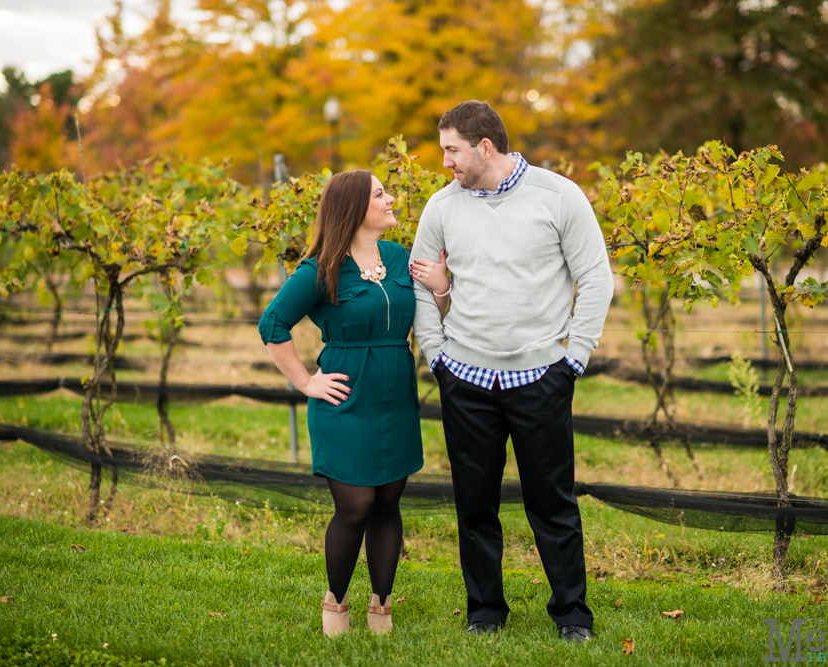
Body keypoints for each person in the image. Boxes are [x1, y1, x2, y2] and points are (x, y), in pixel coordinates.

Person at [409, 100, 614, 644]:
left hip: (541, 379)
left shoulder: (558, 195)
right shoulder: (441, 207)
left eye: (451, 149)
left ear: (484, 146)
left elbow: (595, 277)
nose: (445, 161)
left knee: (553, 504)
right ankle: (485, 612)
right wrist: (437, 354)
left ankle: (572, 616)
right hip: (466, 381)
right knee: (475, 505)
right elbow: (419, 281)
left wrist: (575, 357)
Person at [258, 170, 424, 637]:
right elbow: (272, 325)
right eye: (380, 194)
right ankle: (336, 602)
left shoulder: (398, 257)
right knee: (355, 506)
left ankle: (382, 605)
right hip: (346, 400)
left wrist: (444, 286)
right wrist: (306, 381)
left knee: (389, 502)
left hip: (395, 397)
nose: (391, 199)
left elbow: (427, 315)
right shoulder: (320, 269)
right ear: (354, 208)